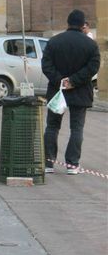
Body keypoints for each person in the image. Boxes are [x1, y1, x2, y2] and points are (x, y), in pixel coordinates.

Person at [42, 9, 100, 175]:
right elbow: (93, 67)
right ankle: (72, 165)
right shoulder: (90, 44)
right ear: (83, 25)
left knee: (52, 126)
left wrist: (61, 81)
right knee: (77, 128)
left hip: (57, 91)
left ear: (68, 23)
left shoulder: (54, 42)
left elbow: (46, 65)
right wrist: (73, 81)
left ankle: (49, 163)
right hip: (80, 91)